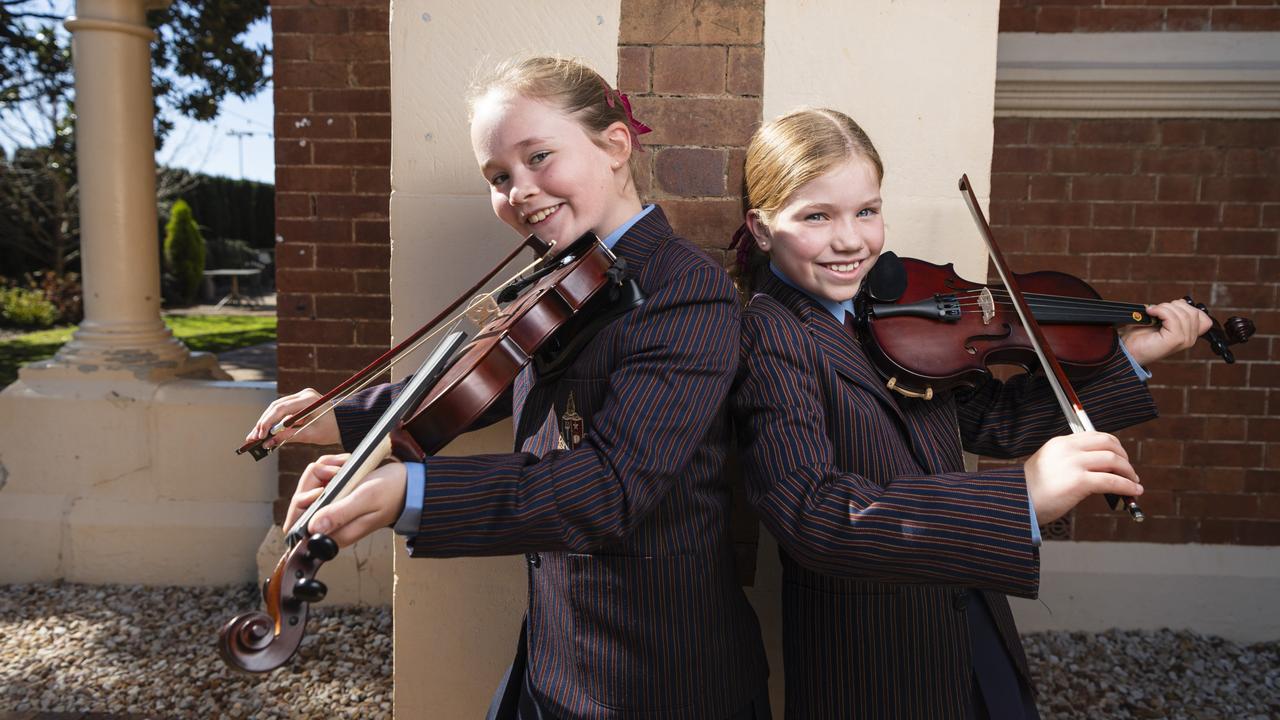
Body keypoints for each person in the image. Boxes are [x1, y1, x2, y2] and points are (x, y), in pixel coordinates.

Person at [247, 56, 769, 720]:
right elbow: (472, 387)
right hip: (556, 650)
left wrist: (409, 492)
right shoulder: (566, 281)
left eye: (538, 157)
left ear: (614, 146)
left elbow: (610, 487)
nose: (518, 190)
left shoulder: (684, 288)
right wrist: (334, 419)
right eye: (498, 176)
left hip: (657, 672)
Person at [729, 106, 1210, 719]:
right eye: (817, 216)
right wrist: (1022, 498)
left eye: (867, 211)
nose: (851, 240)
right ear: (763, 228)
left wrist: (1129, 357)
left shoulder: (887, 307)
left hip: (968, 600)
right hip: (877, 650)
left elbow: (994, 422)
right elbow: (815, 515)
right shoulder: (769, 338)